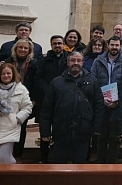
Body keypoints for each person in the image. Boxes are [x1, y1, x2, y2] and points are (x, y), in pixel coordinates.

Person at [39, 52, 104, 164]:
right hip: (61, 130)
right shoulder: (56, 82)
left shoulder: (93, 81)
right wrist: (45, 131)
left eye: (79, 60)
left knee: (80, 166)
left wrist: (97, 127)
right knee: (59, 165)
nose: (76, 63)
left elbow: (98, 105)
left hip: (83, 131)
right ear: (67, 62)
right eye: (73, 60)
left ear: (83, 62)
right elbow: (47, 108)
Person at [91, 36, 122, 163]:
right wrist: (101, 98)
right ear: (108, 45)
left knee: (115, 137)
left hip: (117, 104)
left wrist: (118, 100)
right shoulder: (98, 61)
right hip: (101, 103)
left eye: (117, 45)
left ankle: (112, 165)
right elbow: (93, 81)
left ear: (121, 46)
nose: (114, 47)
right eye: (112, 45)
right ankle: (100, 164)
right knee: (101, 136)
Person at [34, 35, 68, 163]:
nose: (57, 46)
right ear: (51, 45)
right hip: (46, 98)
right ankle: (44, 159)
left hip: (63, 99)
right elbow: (38, 77)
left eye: (59, 43)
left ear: (63, 44)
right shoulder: (43, 59)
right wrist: (49, 90)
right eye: (55, 44)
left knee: (60, 130)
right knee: (45, 130)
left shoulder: (68, 59)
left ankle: (59, 158)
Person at [3, 39, 38, 158]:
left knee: (21, 126)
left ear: (30, 50)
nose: (23, 50)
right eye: (20, 48)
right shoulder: (8, 61)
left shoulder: (34, 63)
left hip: (25, 99)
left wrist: (33, 99)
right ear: (15, 49)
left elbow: (35, 82)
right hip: (8, 99)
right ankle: (7, 152)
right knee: (7, 125)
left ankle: (17, 154)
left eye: (26, 48)